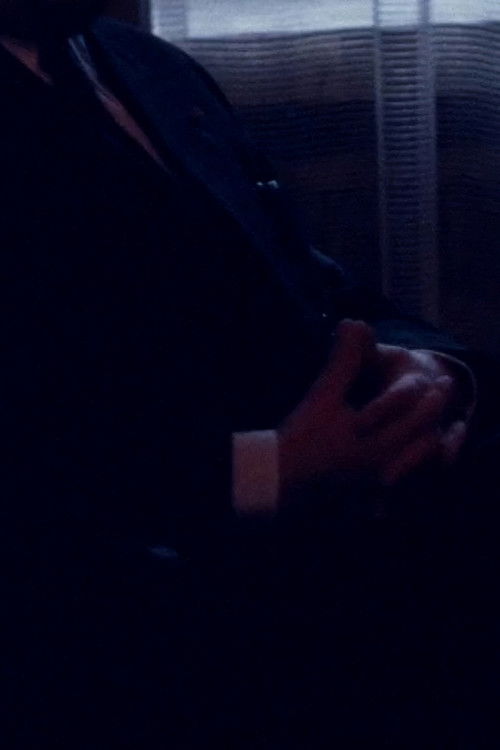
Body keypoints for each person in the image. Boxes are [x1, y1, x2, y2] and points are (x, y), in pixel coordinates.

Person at [1, 1, 498, 746]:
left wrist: (434, 373)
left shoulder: (148, 66)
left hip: (356, 540)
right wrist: (271, 468)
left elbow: (314, 285)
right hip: (143, 622)